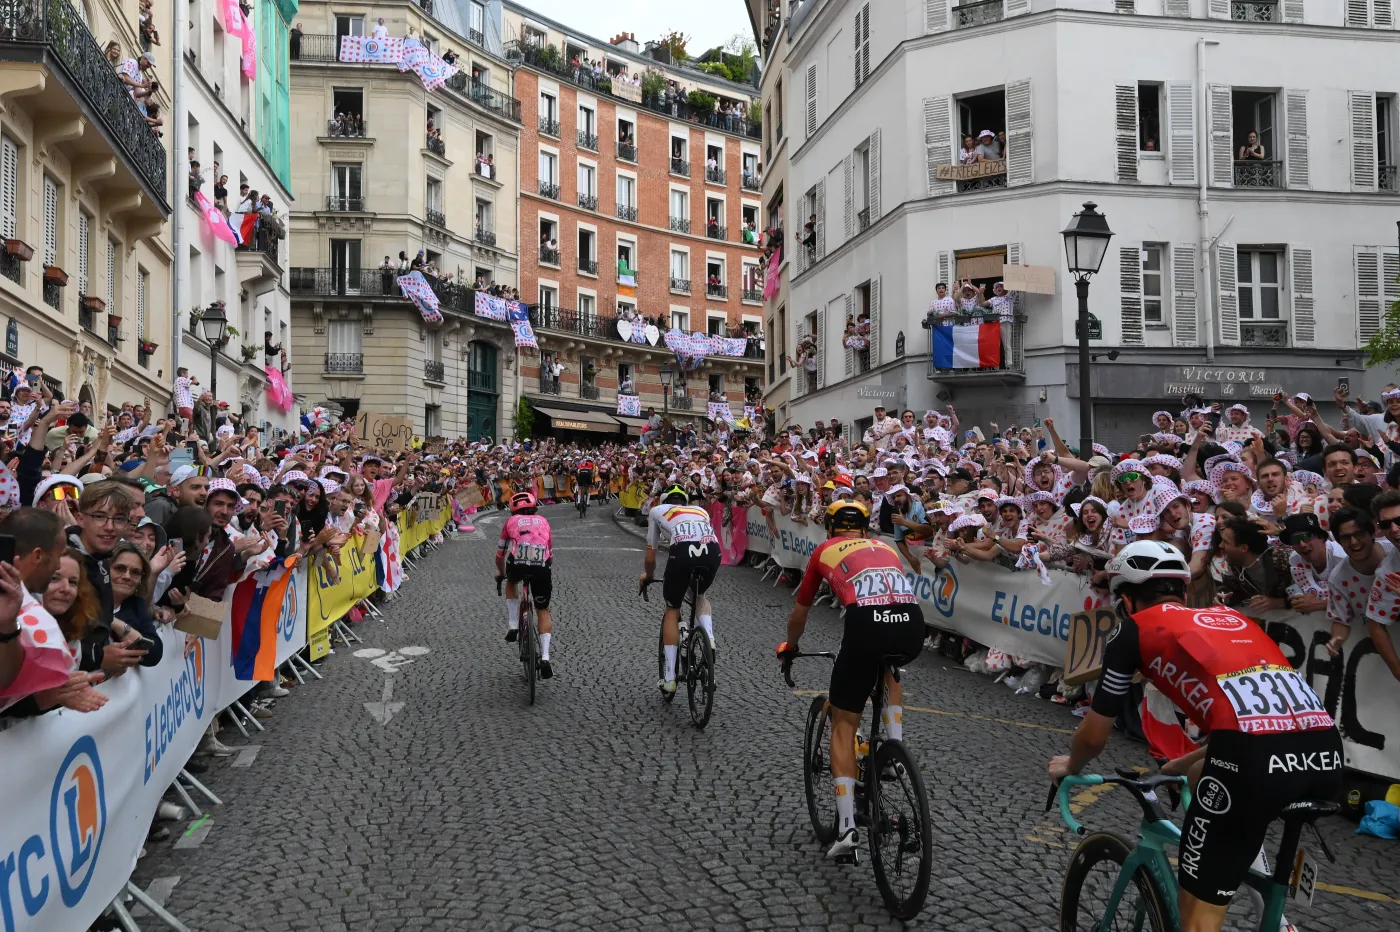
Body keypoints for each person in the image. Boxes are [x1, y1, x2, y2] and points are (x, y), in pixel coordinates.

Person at [1048, 540, 1340, 932]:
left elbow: (1094, 734)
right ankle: (1280, 922)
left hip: (1252, 760)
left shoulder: (1132, 630)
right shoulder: (1234, 620)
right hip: (1325, 753)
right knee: (1201, 776)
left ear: (1127, 600)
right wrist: (1180, 762)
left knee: (1198, 920)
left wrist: (1071, 765)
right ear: (1182, 592)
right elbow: (1255, 719)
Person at [778, 500, 925, 860]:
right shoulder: (885, 546)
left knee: (843, 724)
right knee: (888, 665)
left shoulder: (824, 550)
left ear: (830, 528)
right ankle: (894, 748)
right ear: (863, 528)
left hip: (866, 625)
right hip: (912, 623)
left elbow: (800, 613)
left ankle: (846, 829)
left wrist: (790, 646)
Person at [640, 486, 720, 696]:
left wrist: (647, 576)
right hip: (712, 552)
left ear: (664, 500)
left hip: (683, 553)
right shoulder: (700, 510)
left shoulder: (657, 511)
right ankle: (709, 638)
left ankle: (669, 679)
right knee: (699, 595)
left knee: (672, 609)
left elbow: (650, 557)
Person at [495, 491, 555, 678]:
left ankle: (513, 624)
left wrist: (502, 573)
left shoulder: (510, 522)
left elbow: (500, 554)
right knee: (543, 610)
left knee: (511, 582)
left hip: (518, 564)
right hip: (541, 566)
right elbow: (550, 552)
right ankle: (545, 657)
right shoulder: (544, 521)